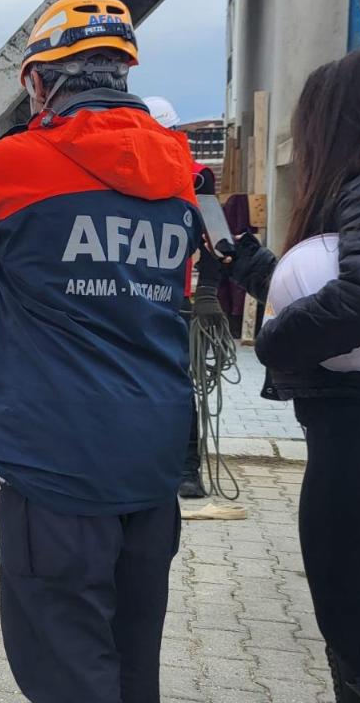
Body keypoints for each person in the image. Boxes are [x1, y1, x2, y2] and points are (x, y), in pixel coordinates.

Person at [0, 0, 198, 702]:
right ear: (123, 72)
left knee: (63, 664)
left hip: (58, 460)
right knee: (130, 654)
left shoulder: (25, 163)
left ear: (36, 82)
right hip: (152, 454)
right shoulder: (178, 176)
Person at [217, 48, 360, 703]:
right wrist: (251, 265)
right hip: (349, 445)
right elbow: (332, 279)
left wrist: (273, 342)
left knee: (359, 651)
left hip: (356, 457)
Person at [145, 94, 218, 498]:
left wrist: (207, 290)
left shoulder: (196, 177)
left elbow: (215, 239)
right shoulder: (123, 171)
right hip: (128, 293)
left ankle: (188, 468)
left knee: (178, 384)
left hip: (173, 297)